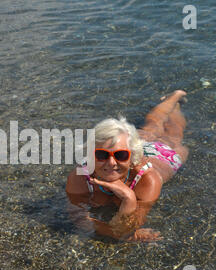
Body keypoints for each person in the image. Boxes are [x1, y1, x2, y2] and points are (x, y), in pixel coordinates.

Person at [66, 90, 189, 242]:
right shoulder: (80, 176)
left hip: (163, 155)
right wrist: (121, 232)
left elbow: (130, 227)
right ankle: (173, 100)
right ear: (91, 154)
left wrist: (129, 198)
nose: (111, 163)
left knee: (174, 134)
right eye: (102, 155)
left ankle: (175, 99)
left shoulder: (148, 179)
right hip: (128, 143)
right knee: (152, 125)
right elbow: (78, 219)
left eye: (120, 156)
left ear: (131, 157)